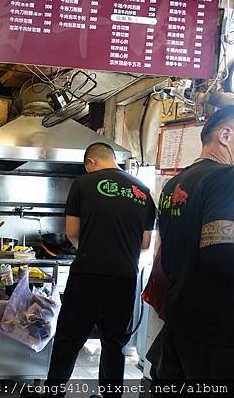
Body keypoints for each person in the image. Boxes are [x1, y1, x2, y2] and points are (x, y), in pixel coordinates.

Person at [40, 143, 156, 398]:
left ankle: (53, 394)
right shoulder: (144, 191)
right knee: (115, 343)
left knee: (69, 339)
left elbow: (72, 234)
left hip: (88, 274)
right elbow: (146, 243)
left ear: (91, 162)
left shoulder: (82, 184)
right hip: (125, 276)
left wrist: (94, 245)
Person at [147, 107, 234, 384]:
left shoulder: (174, 184)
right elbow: (220, 253)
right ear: (225, 134)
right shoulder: (226, 177)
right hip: (215, 329)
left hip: (180, 316)